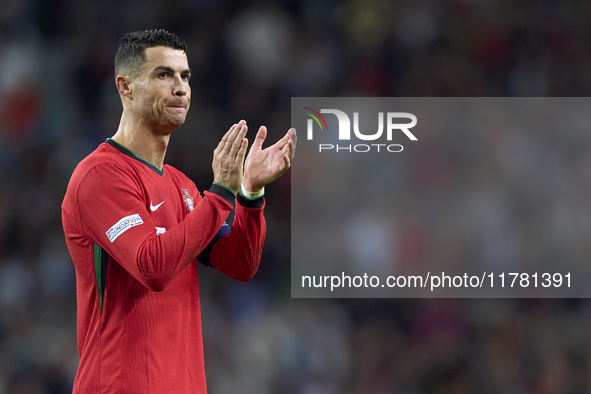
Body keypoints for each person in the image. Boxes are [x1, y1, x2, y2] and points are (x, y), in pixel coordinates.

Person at [61, 29, 296, 393]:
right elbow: (152, 267)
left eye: (185, 76)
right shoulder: (100, 176)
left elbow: (240, 264)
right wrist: (220, 194)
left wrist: (249, 194)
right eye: (163, 75)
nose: (181, 88)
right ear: (125, 86)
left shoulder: (182, 187)